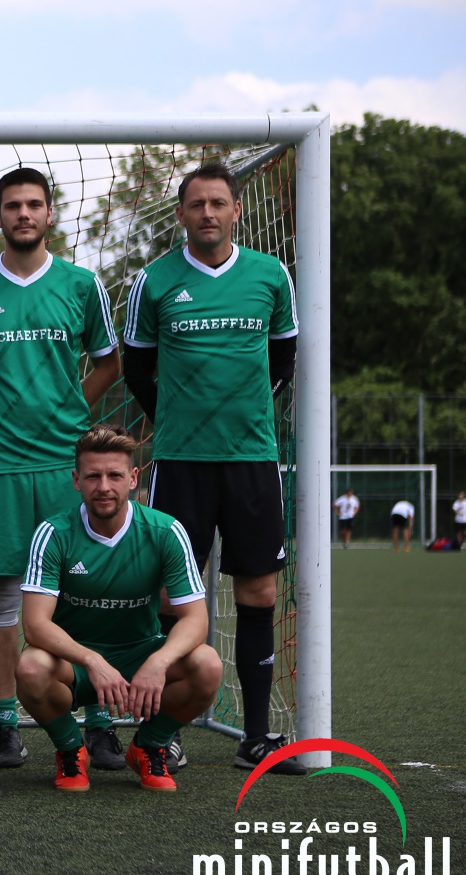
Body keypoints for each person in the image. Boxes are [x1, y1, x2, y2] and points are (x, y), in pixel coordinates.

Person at [122, 161, 303, 775]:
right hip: (180, 464)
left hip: (252, 460)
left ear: (236, 210)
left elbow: (283, 359)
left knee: (259, 591)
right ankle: (162, 731)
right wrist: (177, 417)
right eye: (197, 204)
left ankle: (255, 737)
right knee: (173, 595)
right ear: (181, 214)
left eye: (218, 203)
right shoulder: (152, 281)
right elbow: (137, 369)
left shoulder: (270, 276)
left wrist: (241, 411)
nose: (208, 213)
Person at [0, 167, 122, 770]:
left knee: (81, 595)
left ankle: (98, 723)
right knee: (0, 601)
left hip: (64, 465)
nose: (23, 213)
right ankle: (3, 725)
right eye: (13, 205)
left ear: (50, 213)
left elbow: (109, 360)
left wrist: (73, 413)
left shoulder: (81, 284)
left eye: (34, 204)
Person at [17, 424, 223, 792]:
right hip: (74, 662)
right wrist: (93, 661)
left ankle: (149, 746)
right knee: (31, 667)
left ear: (133, 478)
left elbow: (195, 619)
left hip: (139, 653)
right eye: (92, 476)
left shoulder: (165, 531)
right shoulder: (53, 533)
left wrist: (158, 662)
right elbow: (34, 625)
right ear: (76, 480)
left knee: (207, 664)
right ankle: (71, 750)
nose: (104, 486)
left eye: (114, 475)